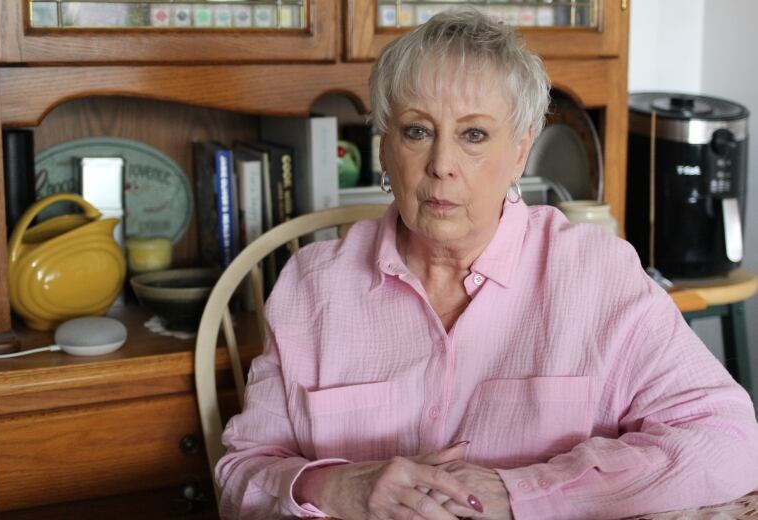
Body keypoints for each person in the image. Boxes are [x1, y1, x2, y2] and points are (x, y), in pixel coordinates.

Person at [216, 9, 758, 519]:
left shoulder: (597, 276)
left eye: (473, 135)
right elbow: (241, 473)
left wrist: (521, 492)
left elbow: (729, 440)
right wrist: (336, 486)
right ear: (383, 146)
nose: (441, 166)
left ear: (521, 150)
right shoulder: (312, 286)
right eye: (416, 131)